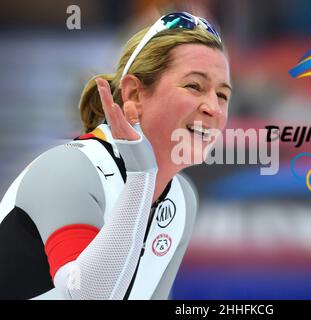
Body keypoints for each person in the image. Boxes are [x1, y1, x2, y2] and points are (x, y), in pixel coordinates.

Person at [0, 12, 231, 300]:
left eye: (222, 95)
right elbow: (86, 295)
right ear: (134, 93)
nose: (214, 108)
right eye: (194, 86)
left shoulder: (182, 199)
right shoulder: (67, 170)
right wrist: (141, 176)